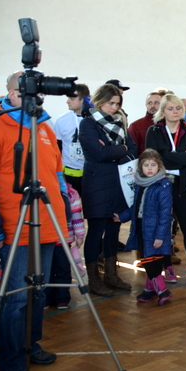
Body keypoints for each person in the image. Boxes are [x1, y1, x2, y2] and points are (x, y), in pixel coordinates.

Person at [0, 71, 66, 371]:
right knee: (16, 298)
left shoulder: (45, 127)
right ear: (11, 94)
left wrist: (66, 218)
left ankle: (30, 345)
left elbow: (57, 175)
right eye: (24, 92)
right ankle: (10, 365)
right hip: (16, 228)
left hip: (48, 226)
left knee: (38, 292)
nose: (33, 98)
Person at [145, 94, 186, 283]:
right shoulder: (154, 130)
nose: (175, 112)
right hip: (161, 184)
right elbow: (152, 158)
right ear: (163, 111)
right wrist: (179, 155)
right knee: (164, 228)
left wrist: (166, 154)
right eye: (170, 108)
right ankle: (167, 268)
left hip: (184, 185)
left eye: (178, 108)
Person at [79, 83, 137, 295]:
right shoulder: (88, 123)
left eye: (117, 104)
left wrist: (115, 150)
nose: (115, 107)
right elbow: (98, 153)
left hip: (118, 183)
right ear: (100, 101)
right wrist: (121, 149)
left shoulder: (120, 122)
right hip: (97, 184)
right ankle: (94, 279)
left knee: (114, 229)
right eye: (111, 103)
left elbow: (133, 149)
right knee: (96, 231)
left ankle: (112, 275)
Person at [115, 149, 174, 305]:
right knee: (147, 259)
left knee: (151, 260)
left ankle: (162, 291)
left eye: (153, 165)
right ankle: (150, 290)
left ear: (159, 166)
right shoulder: (140, 183)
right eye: (146, 165)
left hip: (156, 230)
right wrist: (122, 216)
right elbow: (136, 207)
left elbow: (165, 213)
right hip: (142, 227)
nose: (149, 168)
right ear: (140, 167)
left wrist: (160, 236)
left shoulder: (163, 185)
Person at [53, 83, 91, 195]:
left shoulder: (95, 119)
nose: (67, 101)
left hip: (90, 174)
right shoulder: (61, 120)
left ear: (83, 100)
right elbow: (57, 147)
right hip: (68, 174)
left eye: (72, 98)